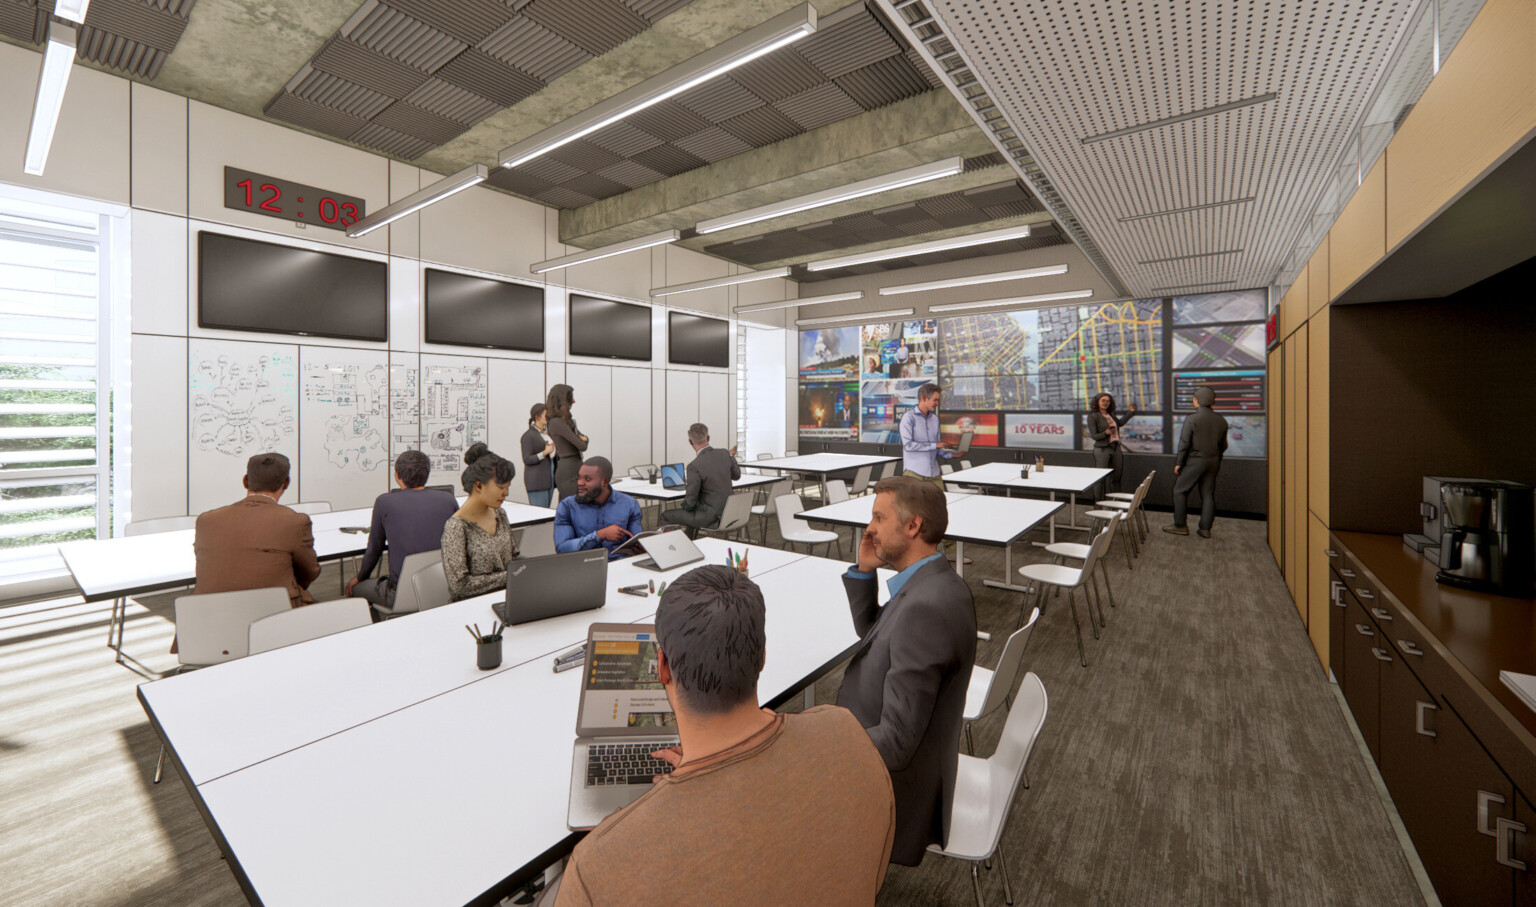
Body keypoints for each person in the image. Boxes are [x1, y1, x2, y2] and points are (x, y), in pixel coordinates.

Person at [552, 566, 895, 906]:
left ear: (663, 668)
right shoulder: (847, 733)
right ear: (761, 658)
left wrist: (627, 833)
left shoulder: (597, 868)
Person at [837, 477, 976, 865]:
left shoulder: (924, 609)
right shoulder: (933, 583)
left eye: (879, 518)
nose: (869, 529)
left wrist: (825, 746)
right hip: (915, 753)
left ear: (913, 526)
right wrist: (865, 572)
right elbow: (876, 633)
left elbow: (896, 744)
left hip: (897, 788)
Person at [193, 452, 320, 612]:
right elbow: (310, 571)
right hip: (273, 613)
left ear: (245, 481)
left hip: (207, 615)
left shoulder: (206, 520)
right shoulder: (294, 521)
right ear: (286, 483)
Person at [347, 450, 458, 613]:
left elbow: (375, 548)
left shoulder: (385, 502)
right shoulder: (447, 499)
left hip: (399, 593)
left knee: (355, 589)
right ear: (427, 473)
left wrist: (359, 578)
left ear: (397, 475)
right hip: (444, 586)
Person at [441, 443, 518, 601]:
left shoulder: (500, 514)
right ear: (478, 486)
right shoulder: (456, 526)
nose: (506, 493)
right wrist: (509, 576)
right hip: (473, 607)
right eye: (501, 487)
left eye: (507, 487)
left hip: (507, 598)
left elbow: (514, 557)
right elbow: (459, 585)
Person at [1165, 385, 1230, 538]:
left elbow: (1184, 443)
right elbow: (1224, 445)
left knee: (1179, 491)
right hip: (1213, 461)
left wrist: (1179, 463)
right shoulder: (1221, 420)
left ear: (1196, 401)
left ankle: (1180, 525)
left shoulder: (1192, 419)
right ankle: (1205, 529)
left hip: (1196, 460)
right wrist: (1216, 457)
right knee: (1207, 494)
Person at [659, 423, 740, 536]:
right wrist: (731, 456)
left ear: (690, 442)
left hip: (710, 517)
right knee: (692, 512)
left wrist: (685, 506)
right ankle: (690, 541)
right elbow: (737, 476)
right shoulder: (724, 453)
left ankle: (675, 548)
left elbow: (691, 501)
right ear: (708, 438)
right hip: (729, 512)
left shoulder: (694, 466)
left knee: (666, 516)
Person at [554, 457, 643, 558]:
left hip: (620, 565)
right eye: (579, 477)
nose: (580, 483)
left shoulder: (629, 504)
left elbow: (636, 539)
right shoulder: (567, 506)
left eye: (587, 479)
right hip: (585, 567)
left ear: (605, 482)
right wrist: (600, 535)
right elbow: (562, 548)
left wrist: (641, 547)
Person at [899, 383, 953, 492]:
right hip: (914, 474)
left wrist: (951, 454)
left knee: (940, 506)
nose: (937, 403)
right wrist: (935, 445)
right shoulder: (908, 418)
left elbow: (937, 448)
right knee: (915, 508)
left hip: (934, 474)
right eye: (935, 400)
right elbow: (908, 446)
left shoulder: (935, 419)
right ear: (924, 398)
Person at [1087, 392, 1139, 496]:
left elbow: (1120, 423)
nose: (1105, 403)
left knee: (1116, 477)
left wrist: (1131, 412)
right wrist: (1105, 433)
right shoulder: (1093, 417)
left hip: (1116, 448)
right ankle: (1098, 504)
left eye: (1107, 401)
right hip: (1102, 449)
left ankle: (1115, 503)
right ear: (1097, 402)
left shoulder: (1111, 414)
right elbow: (1094, 436)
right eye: (1103, 400)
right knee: (1100, 479)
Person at [545, 384, 588, 500]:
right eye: (570, 398)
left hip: (574, 468)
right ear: (563, 400)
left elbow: (583, 442)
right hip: (568, 472)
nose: (573, 401)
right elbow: (582, 445)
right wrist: (584, 439)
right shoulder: (557, 423)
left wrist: (584, 439)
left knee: (569, 509)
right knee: (572, 508)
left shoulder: (565, 422)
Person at [521, 403, 557, 508]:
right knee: (540, 514)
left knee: (546, 513)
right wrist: (545, 452)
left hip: (549, 480)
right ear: (537, 417)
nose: (549, 417)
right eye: (546, 415)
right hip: (537, 482)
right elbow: (527, 459)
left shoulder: (546, 433)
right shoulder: (528, 436)